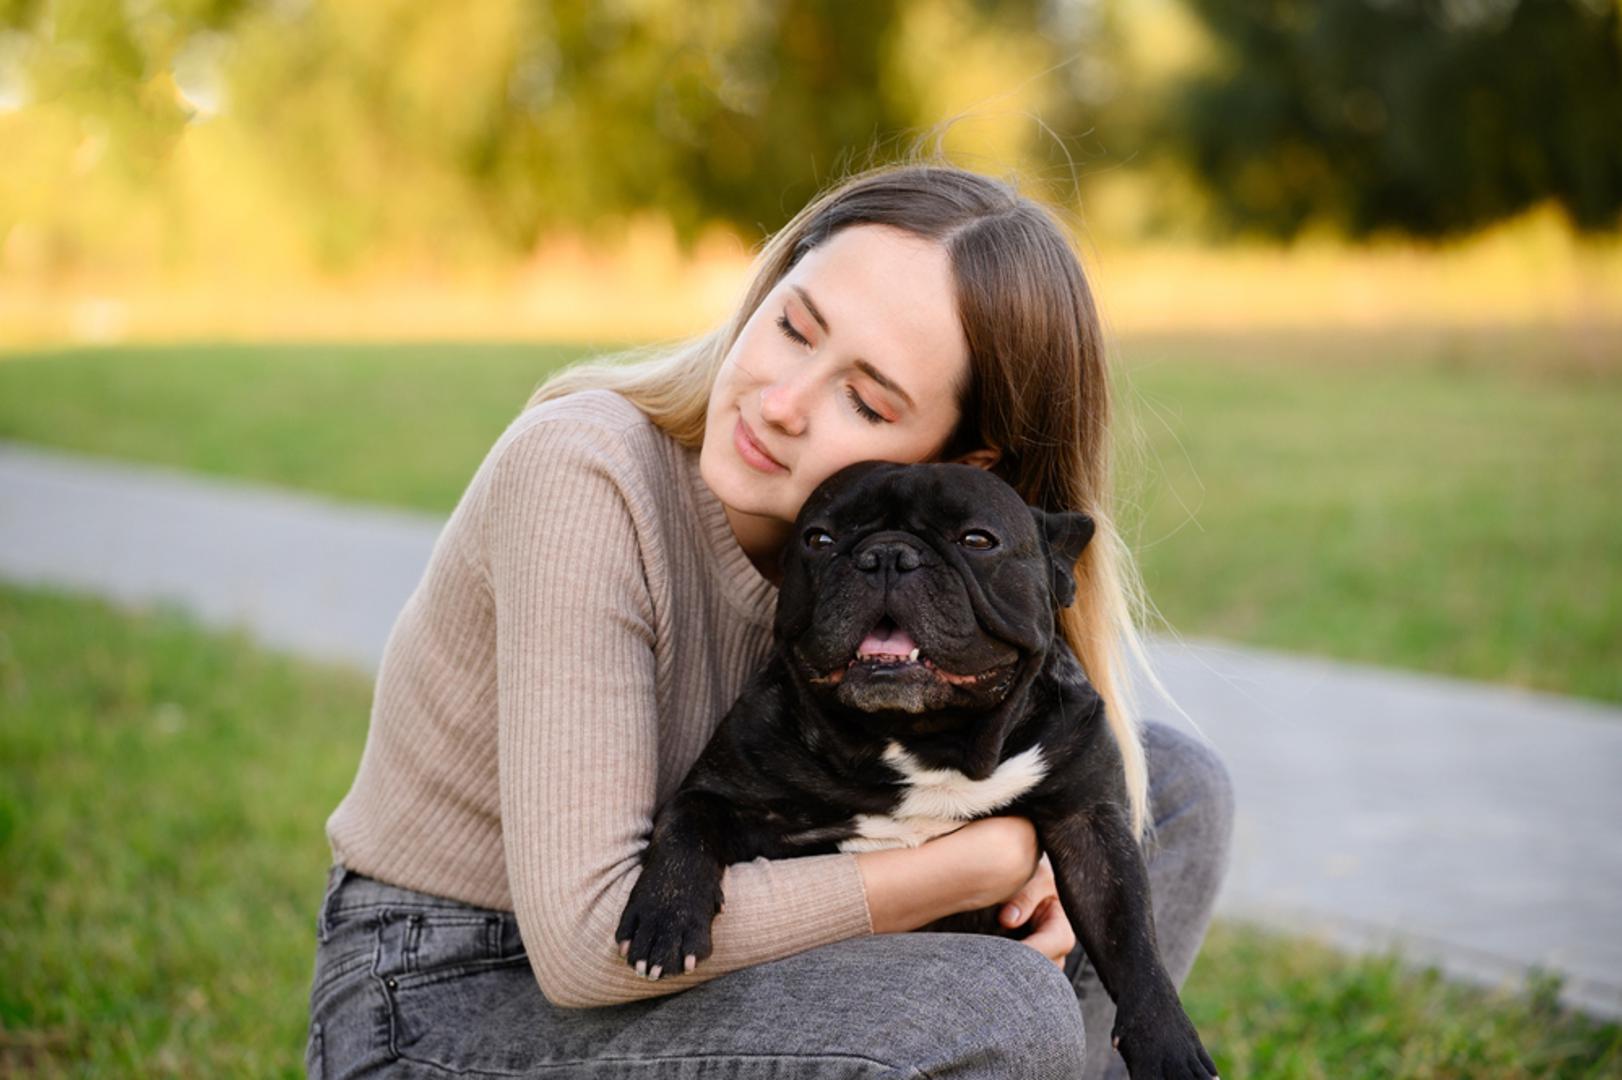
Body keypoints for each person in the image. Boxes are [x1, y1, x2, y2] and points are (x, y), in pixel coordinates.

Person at [305, 158, 1235, 1079]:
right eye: (793, 327)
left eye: (865, 401)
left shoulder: (915, 593)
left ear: (963, 467)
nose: (782, 404)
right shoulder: (584, 475)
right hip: (449, 997)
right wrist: (980, 863)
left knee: (1178, 789)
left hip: (713, 957)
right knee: (995, 1003)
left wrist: (1056, 852)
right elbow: (590, 947)